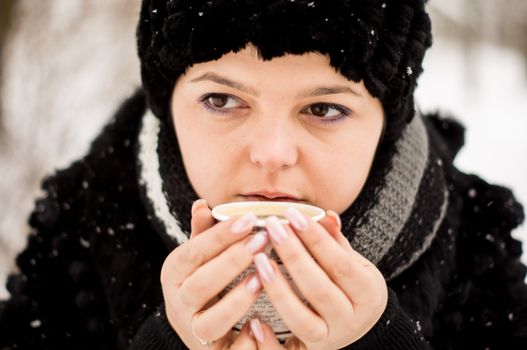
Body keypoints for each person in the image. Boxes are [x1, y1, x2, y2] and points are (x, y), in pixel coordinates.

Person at [1, 0, 526, 348]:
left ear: (386, 122)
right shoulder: (92, 218)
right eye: (222, 99)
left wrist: (383, 340)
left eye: (323, 109)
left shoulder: (470, 239)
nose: (272, 154)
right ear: (168, 105)